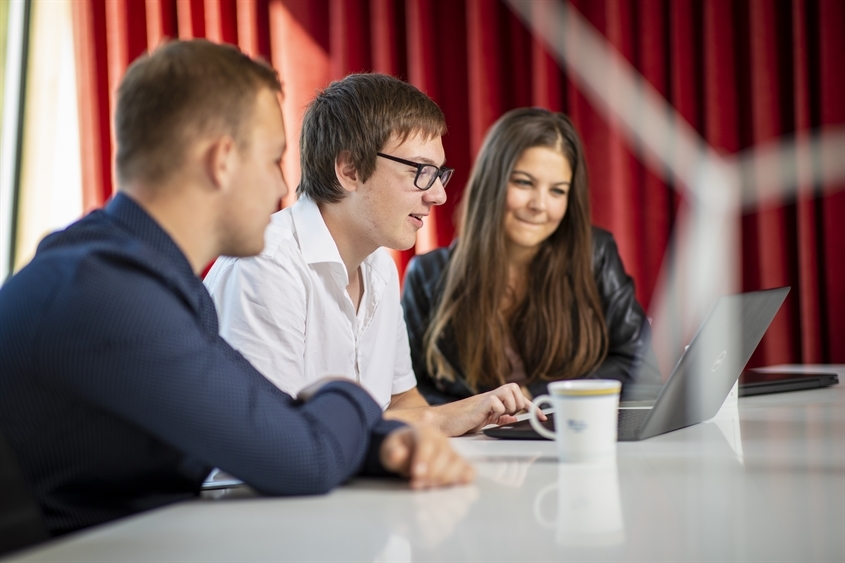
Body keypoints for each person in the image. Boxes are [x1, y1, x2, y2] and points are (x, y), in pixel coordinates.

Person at [0, 40, 473, 537]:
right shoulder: (109, 295)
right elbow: (301, 458)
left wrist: (380, 444)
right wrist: (349, 396)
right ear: (222, 160)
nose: (280, 189)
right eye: (273, 160)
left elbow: (267, 416)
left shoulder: (137, 274)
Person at [205, 73, 536, 437]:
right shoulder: (265, 266)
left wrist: (468, 421)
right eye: (421, 172)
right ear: (349, 169)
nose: (438, 196)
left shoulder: (379, 264)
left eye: (439, 174)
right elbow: (273, 436)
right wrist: (443, 418)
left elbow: (402, 403)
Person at [401, 107, 662, 405]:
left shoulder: (595, 254)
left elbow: (642, 371)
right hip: (473, 447)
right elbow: (410, 395)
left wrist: (535, 395)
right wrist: (478, 412)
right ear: (492, 183)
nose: (540, 205)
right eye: (524, 183)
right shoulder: (427, 274)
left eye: (557, 191)